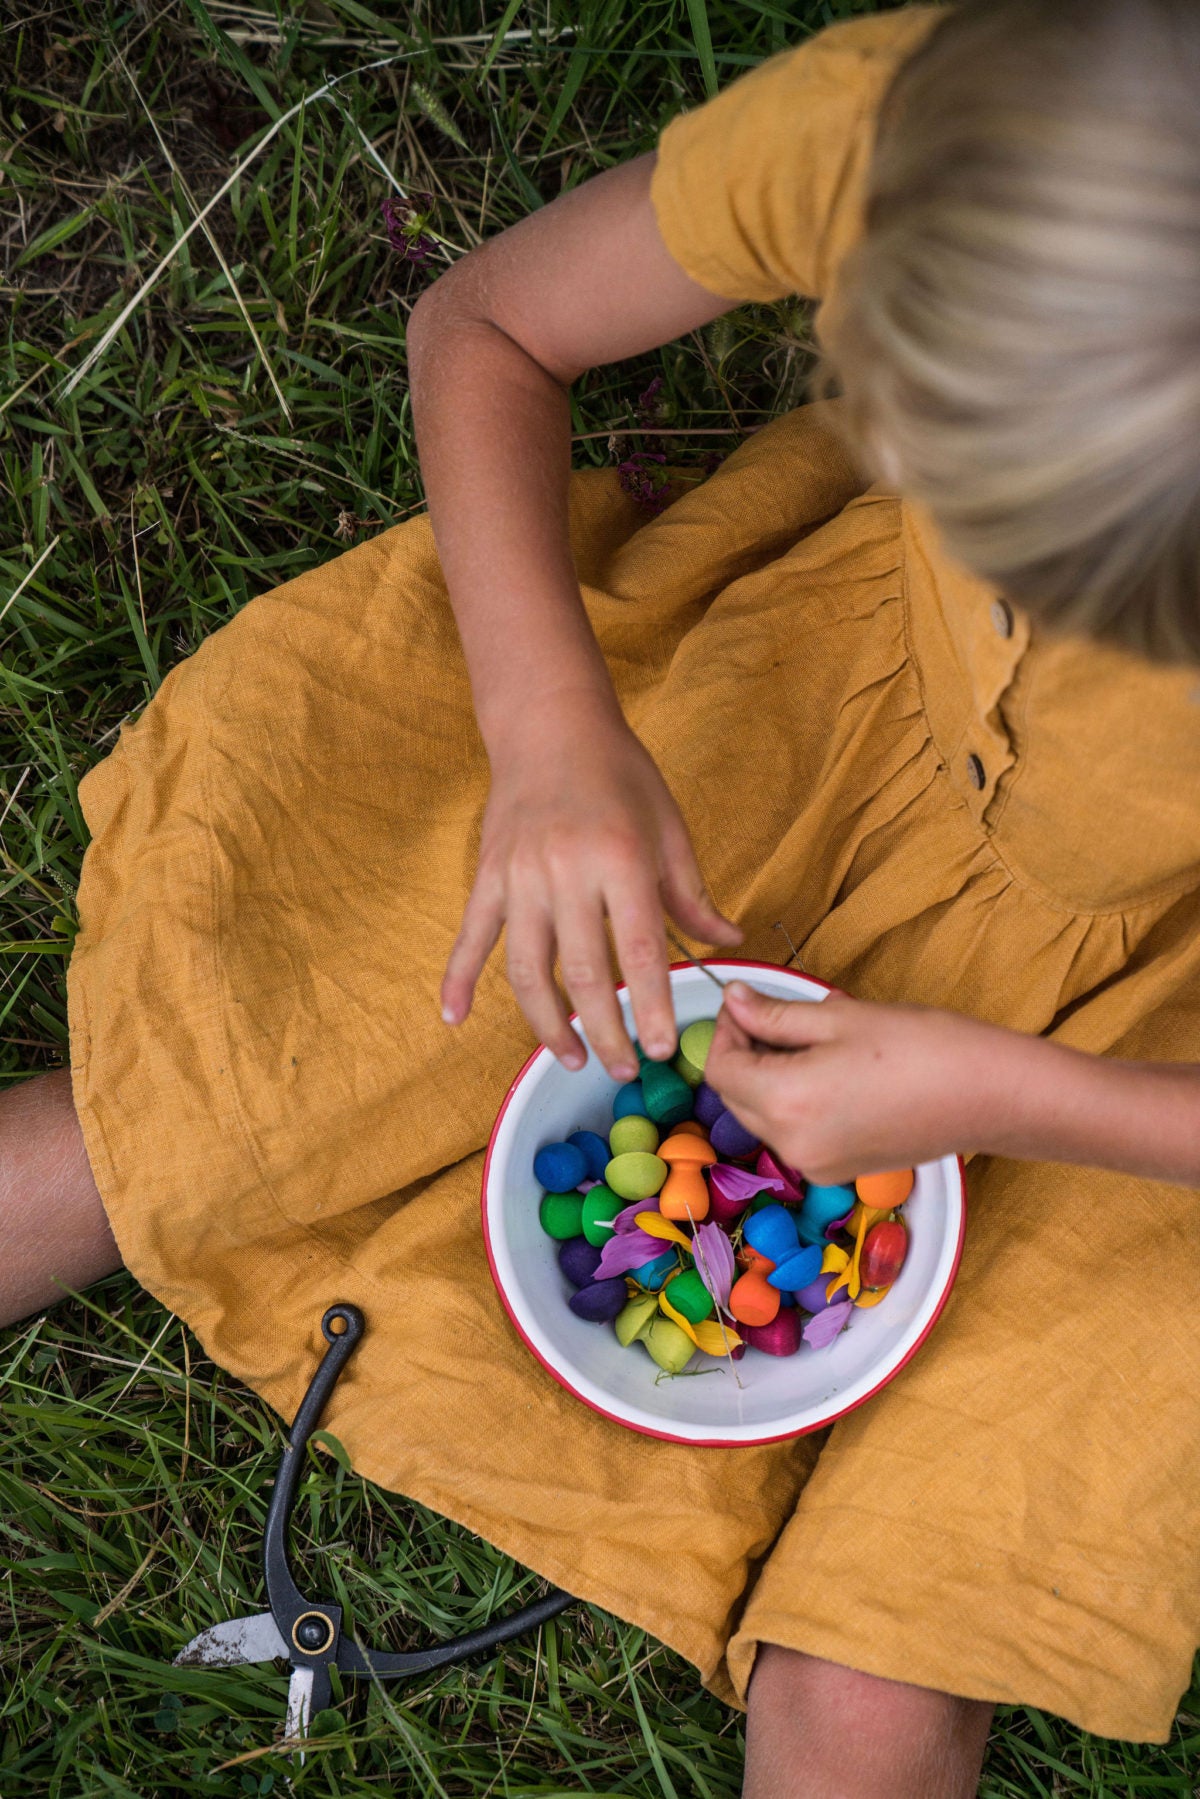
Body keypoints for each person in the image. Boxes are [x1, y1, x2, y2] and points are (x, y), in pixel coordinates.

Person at [6, 0, 1200, 1791]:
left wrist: (1014, 1102)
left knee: (885, 1669)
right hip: (802, 726)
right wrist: (553, 742)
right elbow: (483, 323)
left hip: (1160, 1052)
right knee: (227, 1095)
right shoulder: (945, 135)